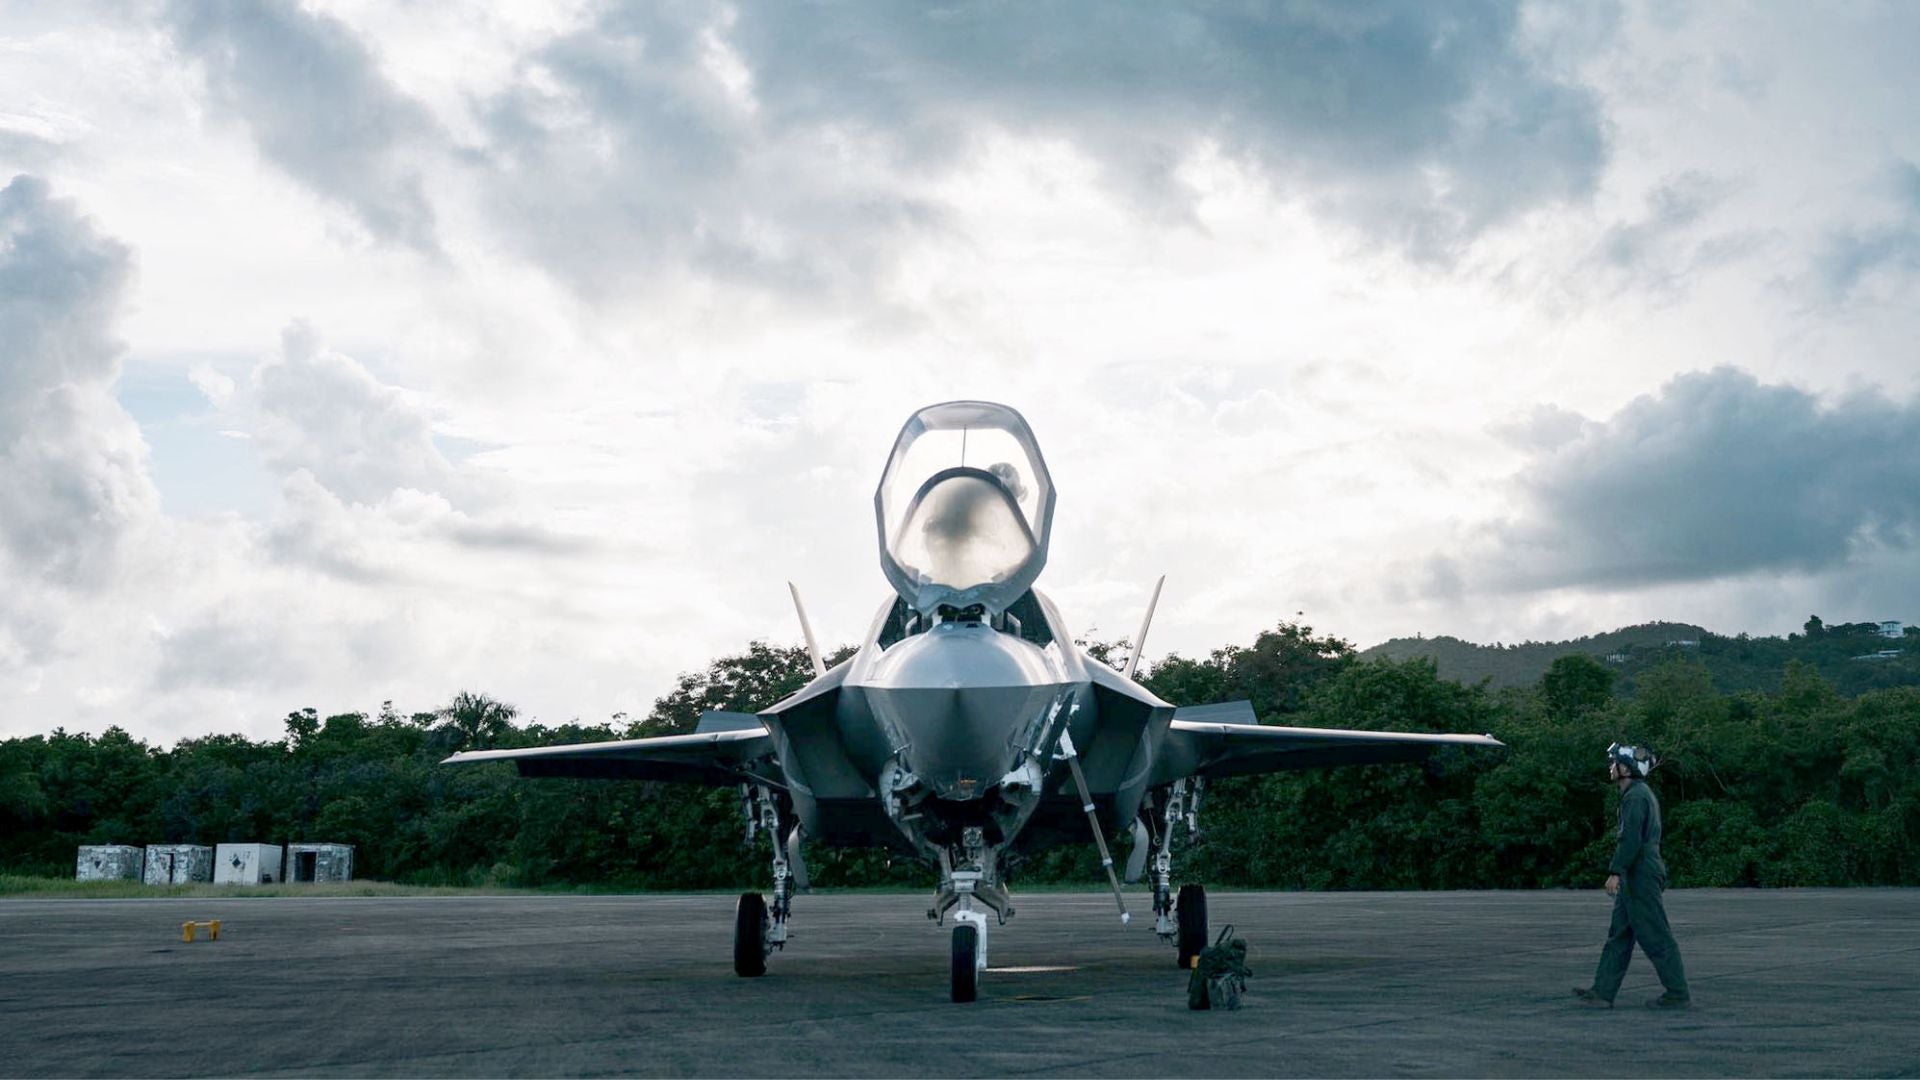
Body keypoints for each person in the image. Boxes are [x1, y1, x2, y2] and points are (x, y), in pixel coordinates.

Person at [1573, 743, 1691, 1009]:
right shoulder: (1636, 794)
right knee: (1620, 935)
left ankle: (1678, 993)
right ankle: (1602, 993)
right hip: (1638, 871)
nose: (1611, 767)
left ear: (1626, 768)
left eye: (1615, 762)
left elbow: (1631, 840)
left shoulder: (1636, 797)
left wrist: (1616, 871)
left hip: (1642, 872)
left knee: (1656, 933)